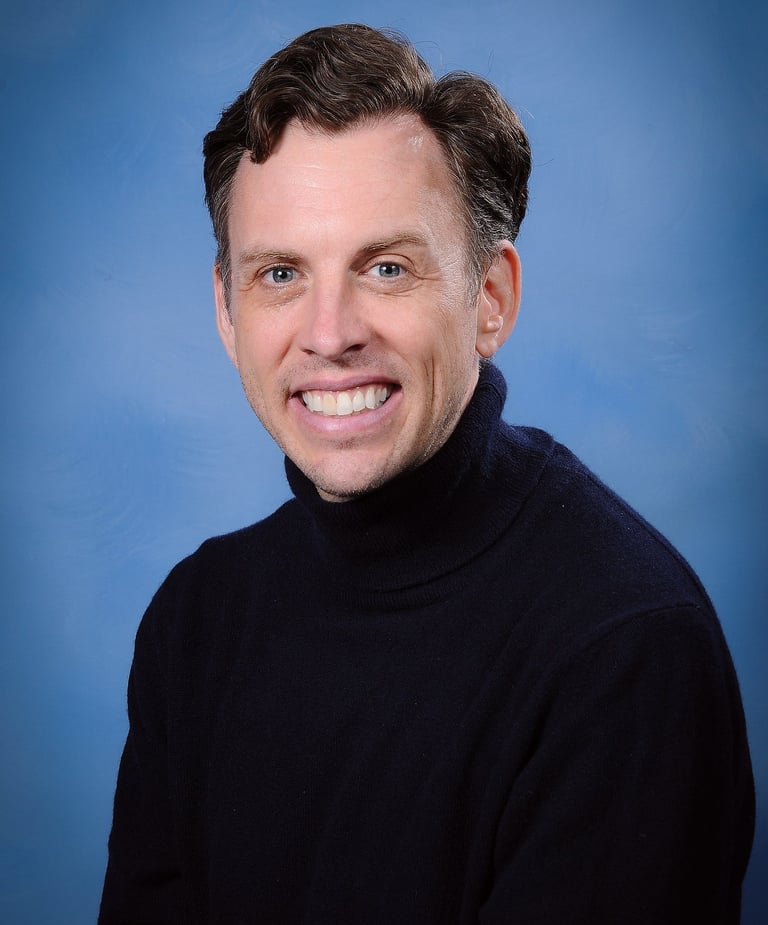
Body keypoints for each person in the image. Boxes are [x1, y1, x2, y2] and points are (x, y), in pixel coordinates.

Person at [99, 23, 754, 924]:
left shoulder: (625, 647)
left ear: (490, 299)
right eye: (281, 273)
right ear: (226, 309)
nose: (330, 333)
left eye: (387, 267)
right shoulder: (198, 618)